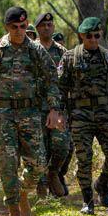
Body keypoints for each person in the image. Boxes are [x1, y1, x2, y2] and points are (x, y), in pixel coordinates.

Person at [0, 7, 64, 216]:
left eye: (23, 26)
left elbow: (52, 79)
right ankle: (13, 211)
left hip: (30, 113)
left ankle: (23, 190)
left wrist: (53, 109)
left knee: (40, 163)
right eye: (15, 27)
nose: (20, 30)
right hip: (3, 115)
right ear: (7, 27)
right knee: (7, 163)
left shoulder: (35, 50)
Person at [57, 17, 108, 214]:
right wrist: (59, 112)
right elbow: (60, 88)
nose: (93, 39)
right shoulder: (69, 58)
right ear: (81, 36)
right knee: (84, 158)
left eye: (97, 36)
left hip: (107, 114)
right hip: (80, 115)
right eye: (89, 36)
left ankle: (101, 183)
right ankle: (87, 200)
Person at [34, 12, 71, 197]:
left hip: (58, 108)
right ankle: (41, 186)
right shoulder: (31, 50)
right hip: (36, 108)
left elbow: (67, 82)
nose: (47, 27)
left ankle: (53, 173)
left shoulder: (63, 52)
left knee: (62, 145)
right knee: (39, 148)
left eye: (50, 24)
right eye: (43, 25)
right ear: (37, 28)